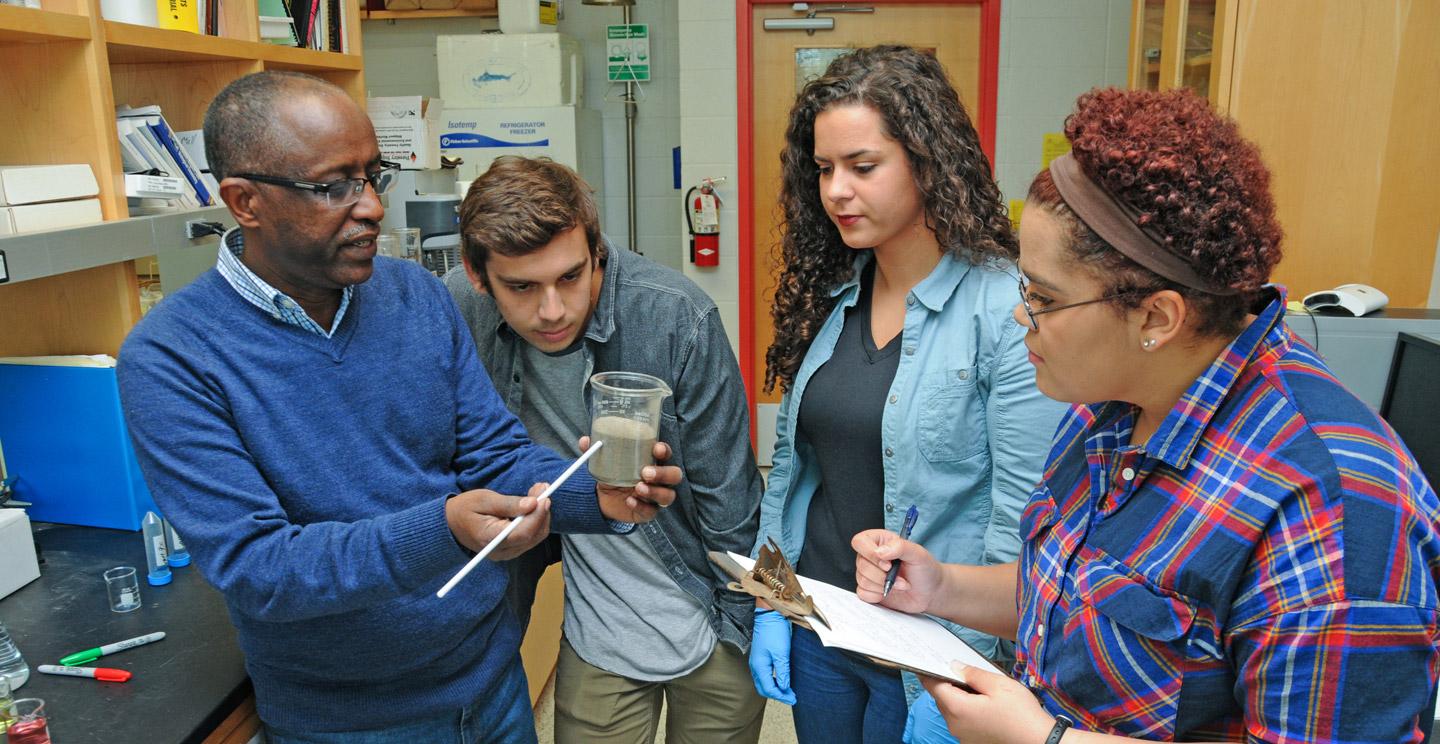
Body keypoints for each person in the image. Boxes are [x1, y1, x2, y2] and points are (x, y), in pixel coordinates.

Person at [855, 87, 1440, 743]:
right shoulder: (1111, 398)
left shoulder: (1334, 508)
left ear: (1156, 318)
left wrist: (1046, 741)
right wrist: (942, 590)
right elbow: (1079, 600)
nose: (1022, 316)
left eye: (1044, 297)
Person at [116, 71, 681, 743]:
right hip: (350, 722)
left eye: (372, 177)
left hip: (491, 685)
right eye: (334, 187)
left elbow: (494, 452)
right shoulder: (173, 357)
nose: (372, 208)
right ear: (245, 201)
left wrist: (600, 496)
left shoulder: (414, 294)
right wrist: (442, 529)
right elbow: (259, 567)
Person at [748, 44, 1066, 743]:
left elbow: (1022, 523)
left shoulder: (1004, 312)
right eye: (825, 169)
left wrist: (968, 665)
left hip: (931, 648)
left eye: (863, 167)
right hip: (821, 625)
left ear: (927, 163)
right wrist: (773, 602)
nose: (836, 191)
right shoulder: (834, 297)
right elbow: (793, 473)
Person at [442, 155, 766, 744]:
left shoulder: (675, 316)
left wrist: (751, 619)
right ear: (476, 274)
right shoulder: (457, 313)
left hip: (709, 609)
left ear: (597, 251)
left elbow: (730, 497)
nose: (553, 310)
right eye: (521, 286)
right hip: (599, 628)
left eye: (571, 276)